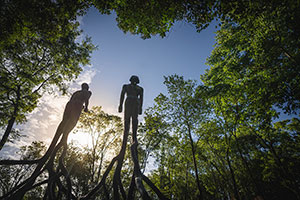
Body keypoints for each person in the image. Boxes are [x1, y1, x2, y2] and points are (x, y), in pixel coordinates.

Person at [118, 75, 143, 143]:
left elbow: (141, 99)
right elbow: (122, 95)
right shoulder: (126, 86)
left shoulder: (140, 89)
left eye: (136, 80)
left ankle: (134, 138)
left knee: (135, 120)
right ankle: (125, 136)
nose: (134, 81)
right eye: (133, 79)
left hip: (136, 103)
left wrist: (140, 108)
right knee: (127, 119)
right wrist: (120, 105)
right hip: (128, 101)